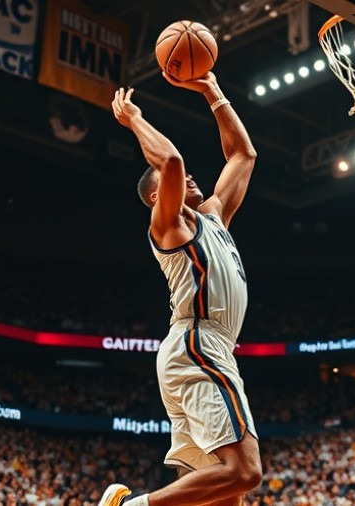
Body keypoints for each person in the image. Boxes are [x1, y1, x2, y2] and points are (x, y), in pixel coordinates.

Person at [98, 70, 261, 506]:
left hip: (207, 349)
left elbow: (243, 155)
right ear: (158, 197)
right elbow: (170, 163)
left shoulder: (214, 216)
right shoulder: (170, 226)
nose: (191, 179)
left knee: (225, 498)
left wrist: (213, 91)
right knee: (244, 472)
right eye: (176, 184)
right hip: (198, 343)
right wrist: (133, 118)